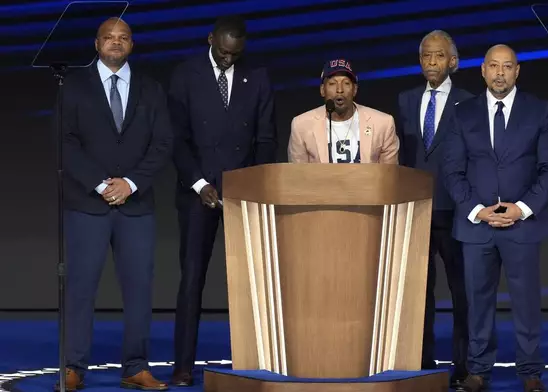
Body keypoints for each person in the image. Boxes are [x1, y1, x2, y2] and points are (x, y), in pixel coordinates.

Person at [55, 17, 173, 391]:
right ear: (96, 44)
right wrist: (100, 184)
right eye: (109, 37)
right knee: (80, 288)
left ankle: (136, 367)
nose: (116, 43)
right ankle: (72, 367)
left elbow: (163, 143)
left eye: (123, 38)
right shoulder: (73, 86)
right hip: (86, 204)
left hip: (136, 206)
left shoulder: (151, 89)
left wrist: (130, 183)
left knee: (139, 288)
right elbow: (65, 142)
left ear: (132, 45)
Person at [442, 44, 548, 392]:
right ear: (482, 70)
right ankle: (478, 371)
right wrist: (476, 210)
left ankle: (530, 373)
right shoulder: (462, 114)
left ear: (517, 71)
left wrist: (522, 208)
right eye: (493, 66)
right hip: (476, 225)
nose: (499, 73)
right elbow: (452, 171)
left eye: (507, 66)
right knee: (477, 303)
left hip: (522, 224)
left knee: (526, 302)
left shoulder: (541, 111)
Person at [168, 15, 277, 386]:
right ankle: (183, 365)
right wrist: (199, 183)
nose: (229, 59)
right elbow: (176, 139)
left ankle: (254, 361)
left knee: (251, 283)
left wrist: (249, 186)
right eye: (223, 52)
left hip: (242, 196)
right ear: (210, 38)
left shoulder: (258, 78)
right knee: (192, 280)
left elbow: (265, 139)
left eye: (235, 54)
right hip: (198, 193)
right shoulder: (185, 75)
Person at [396, 30, 472, 388]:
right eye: (426, 56)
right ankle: (422, 361)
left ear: (452, 62)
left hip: (456, 214)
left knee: (462, 293)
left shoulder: (470, 103)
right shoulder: (405, 100)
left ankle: (464, 366)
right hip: (417, 212)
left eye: (438, 56)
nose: (431, 63)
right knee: (418, 293)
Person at [288, 59, 398, 164]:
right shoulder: (301, 126)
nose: (339, 90)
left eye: (346, 83)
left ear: (355, 89)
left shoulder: (382, 124)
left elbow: (389, 176)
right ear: (322, 90)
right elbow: (298, 177)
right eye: (332, 83)